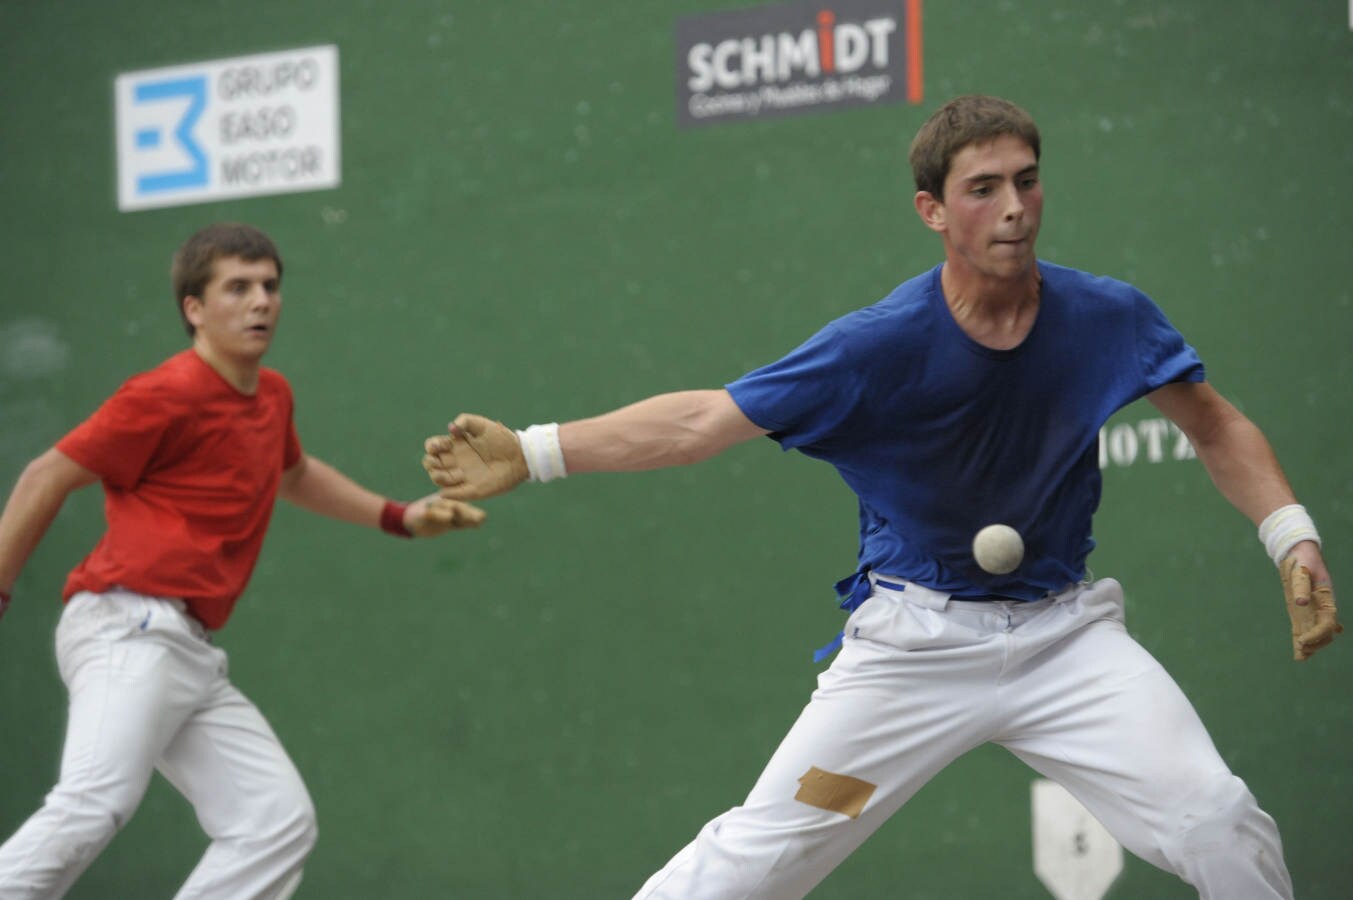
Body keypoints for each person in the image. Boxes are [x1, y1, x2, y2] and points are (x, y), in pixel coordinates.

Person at [421, 95, 1340, 899]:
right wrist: (539, 451)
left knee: (1220, 823)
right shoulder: (878, 346)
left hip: (1068, 644)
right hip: (912, 654)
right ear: (931, 210)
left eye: (1026, 180)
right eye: (983, 188)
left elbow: (1214, 425)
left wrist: (1291, 538)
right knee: (753, 864)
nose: (1014, 208)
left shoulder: (1109, 317)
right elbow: (702, 421)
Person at [0, 222, 485, 899]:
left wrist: (399, 516)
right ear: (194, 309)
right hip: (126, 626)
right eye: (238, 287)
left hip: (187, 649)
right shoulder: (162, 395)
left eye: (269, 286)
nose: (260, 301)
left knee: (274, 822)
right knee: (92, 804)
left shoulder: (272, 398)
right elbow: (44, 475)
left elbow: (293, 474)